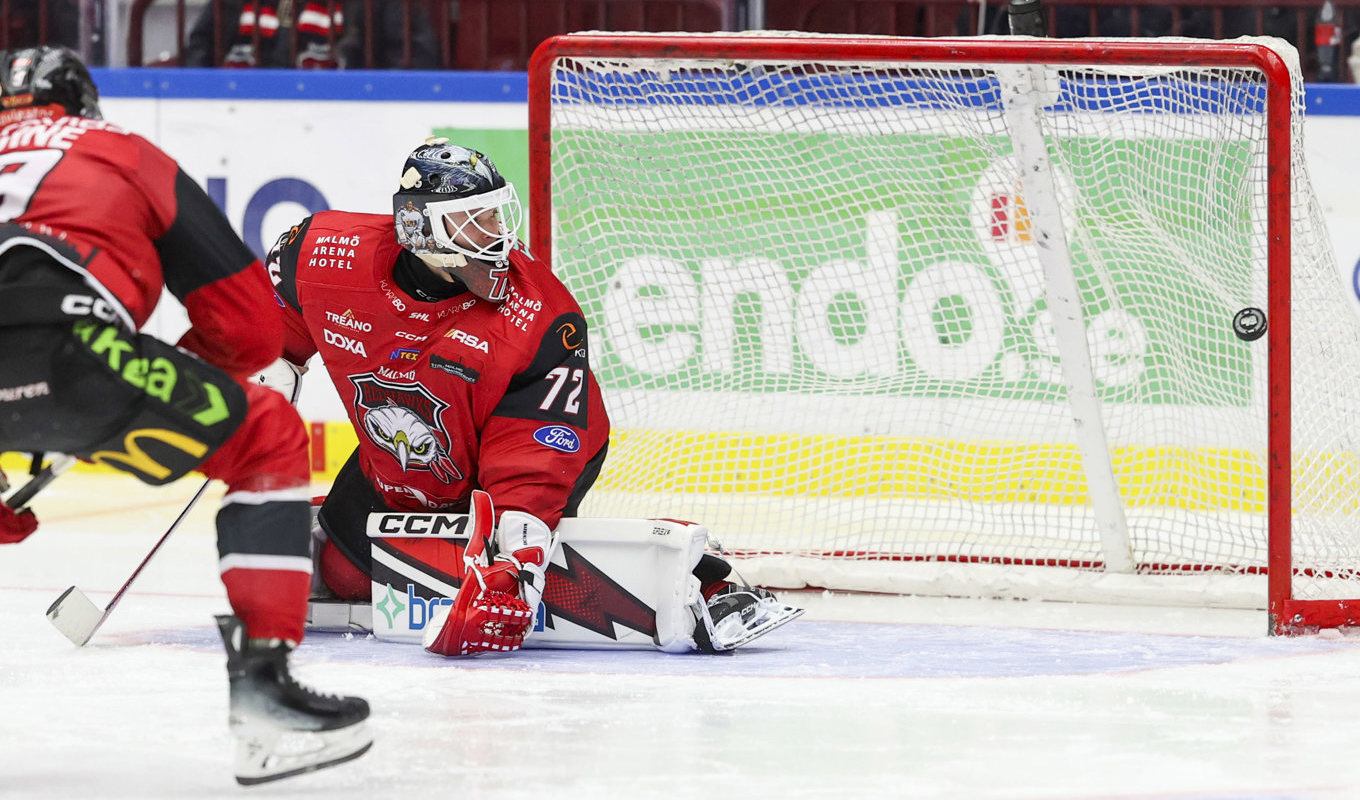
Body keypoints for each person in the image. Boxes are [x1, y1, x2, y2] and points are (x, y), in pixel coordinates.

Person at [264, 138, 801, 656]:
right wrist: (264, 384)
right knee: (342, 575)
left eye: (496, 215)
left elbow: (533, 455)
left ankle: (702, 577)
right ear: (417, 230)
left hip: (543, 453)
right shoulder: (322, 254)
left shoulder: (539, 315)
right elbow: (276, 328)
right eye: (473, 222)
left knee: (513, 570)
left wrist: (518, 557)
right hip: (410, 461)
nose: (497, 236)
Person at [0, 46, 370, 784]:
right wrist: (142, 376)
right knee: (266, 432)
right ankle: (265, 696)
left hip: (52, 344)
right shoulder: (124, 153)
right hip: (72, 348)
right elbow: (252, 328)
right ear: (83, 106)